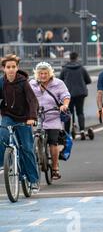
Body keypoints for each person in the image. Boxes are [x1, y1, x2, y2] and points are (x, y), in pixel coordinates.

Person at [0, 54, 40, 192]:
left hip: (24, 117)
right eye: (8, 67)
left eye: (13, 67)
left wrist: (32, 117)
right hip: (8, 116)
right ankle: (5, 163)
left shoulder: (23, 82)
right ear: (3, 69)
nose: (11, 69)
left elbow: (32, 100)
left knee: (27, 148)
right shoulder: (1, 82)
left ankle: (33, 180)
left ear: (17, 68)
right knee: (2, 136)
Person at [30, 62, 71, 180]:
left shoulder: (58, 83)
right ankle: (38, 155)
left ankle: (55, 168)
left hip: (53, 116)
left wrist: (65, 105)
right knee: (33, 137)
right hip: (37, 117)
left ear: (50, 73)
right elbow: (26, 97)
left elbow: (65, 95)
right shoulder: (32, 84)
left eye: (45, 73)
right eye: (40, 73)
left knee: (53, 142)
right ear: (36, 74)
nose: (43, 76)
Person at [59, 52, 92, 139]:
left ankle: (66, 133)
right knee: (80, 112)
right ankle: (82, 131)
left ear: (69, 58)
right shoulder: (81, 68)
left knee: (68, 113)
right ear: (77, 58)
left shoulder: (65, 69)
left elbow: (60, 81)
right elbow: (88, 80)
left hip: (68, 94)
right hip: (80, 93)